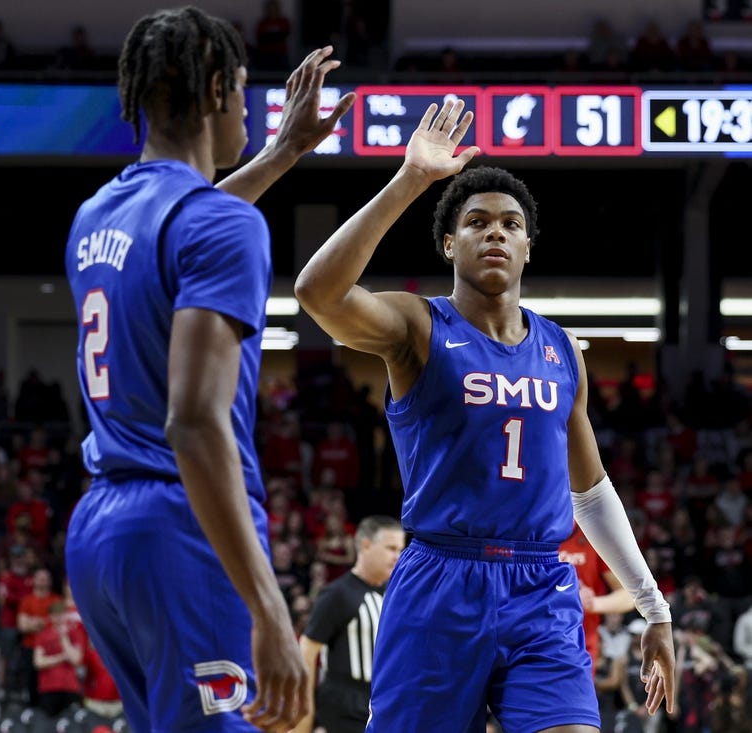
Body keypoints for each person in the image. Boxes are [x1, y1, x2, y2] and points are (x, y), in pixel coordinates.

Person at [293, 98, 675, 732]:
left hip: (540, 585)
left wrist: (652, 606)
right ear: (450, 243)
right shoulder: (418, 326)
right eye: (476, 221)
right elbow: (317, 293)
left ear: (527, 246)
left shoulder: (561, 351)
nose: (495, 231)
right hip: (440, 580)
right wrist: (411, 179)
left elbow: (591, 493)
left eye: (509, 224)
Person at [63, 6, 353, 732]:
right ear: (218, 87)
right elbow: (194, 423)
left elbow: (185, 233)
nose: (253, 113)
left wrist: (284, 153)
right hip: (181, 527)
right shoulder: (224, 226)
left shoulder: (98, 215)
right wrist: (270, 609)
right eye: (248, 91)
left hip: (100, 534)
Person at [293, 515, 405, 733]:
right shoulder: (337, 594)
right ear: (365, 546)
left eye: (400, 550)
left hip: (382, 701)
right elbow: (306, 652)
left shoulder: (394, 594)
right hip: (344, 706)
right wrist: (304, 720)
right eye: (391, 548)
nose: (397, 557)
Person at [559, 521, 636, 671]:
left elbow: (629, 596)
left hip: (582, 644)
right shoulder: (532, 530)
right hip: (538, 639)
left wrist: (590, 603)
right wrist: (568, 598)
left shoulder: (594, 534)